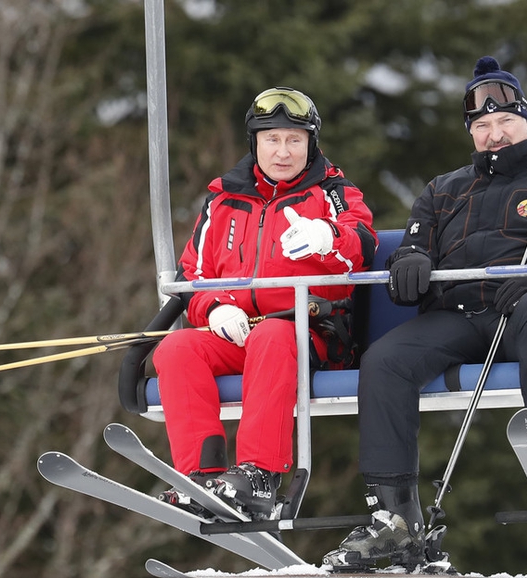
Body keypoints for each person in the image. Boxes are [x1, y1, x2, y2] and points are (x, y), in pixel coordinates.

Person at [324, 57, 527, 570]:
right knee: (386, 360)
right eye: (483, 125)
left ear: (526, 120)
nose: (495, 134)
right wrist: (409, 264)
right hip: (460, 314)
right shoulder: (443, 190)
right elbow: (412, 250)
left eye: (505, 121)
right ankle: (394, 520)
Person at [153, 87, 377, 520]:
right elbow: (192, 276)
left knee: (273, 335)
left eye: (294, 140)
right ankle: (202, 476)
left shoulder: (331, 192)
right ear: (254, 143)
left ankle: (259, 476)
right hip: (236, 331)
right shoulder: (223, 200)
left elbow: (362, 247)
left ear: (311, 144)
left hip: (308, 332)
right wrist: (216, 308)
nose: (283, 151)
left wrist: (326, 236)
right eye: (272, 139)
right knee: (177, 348)